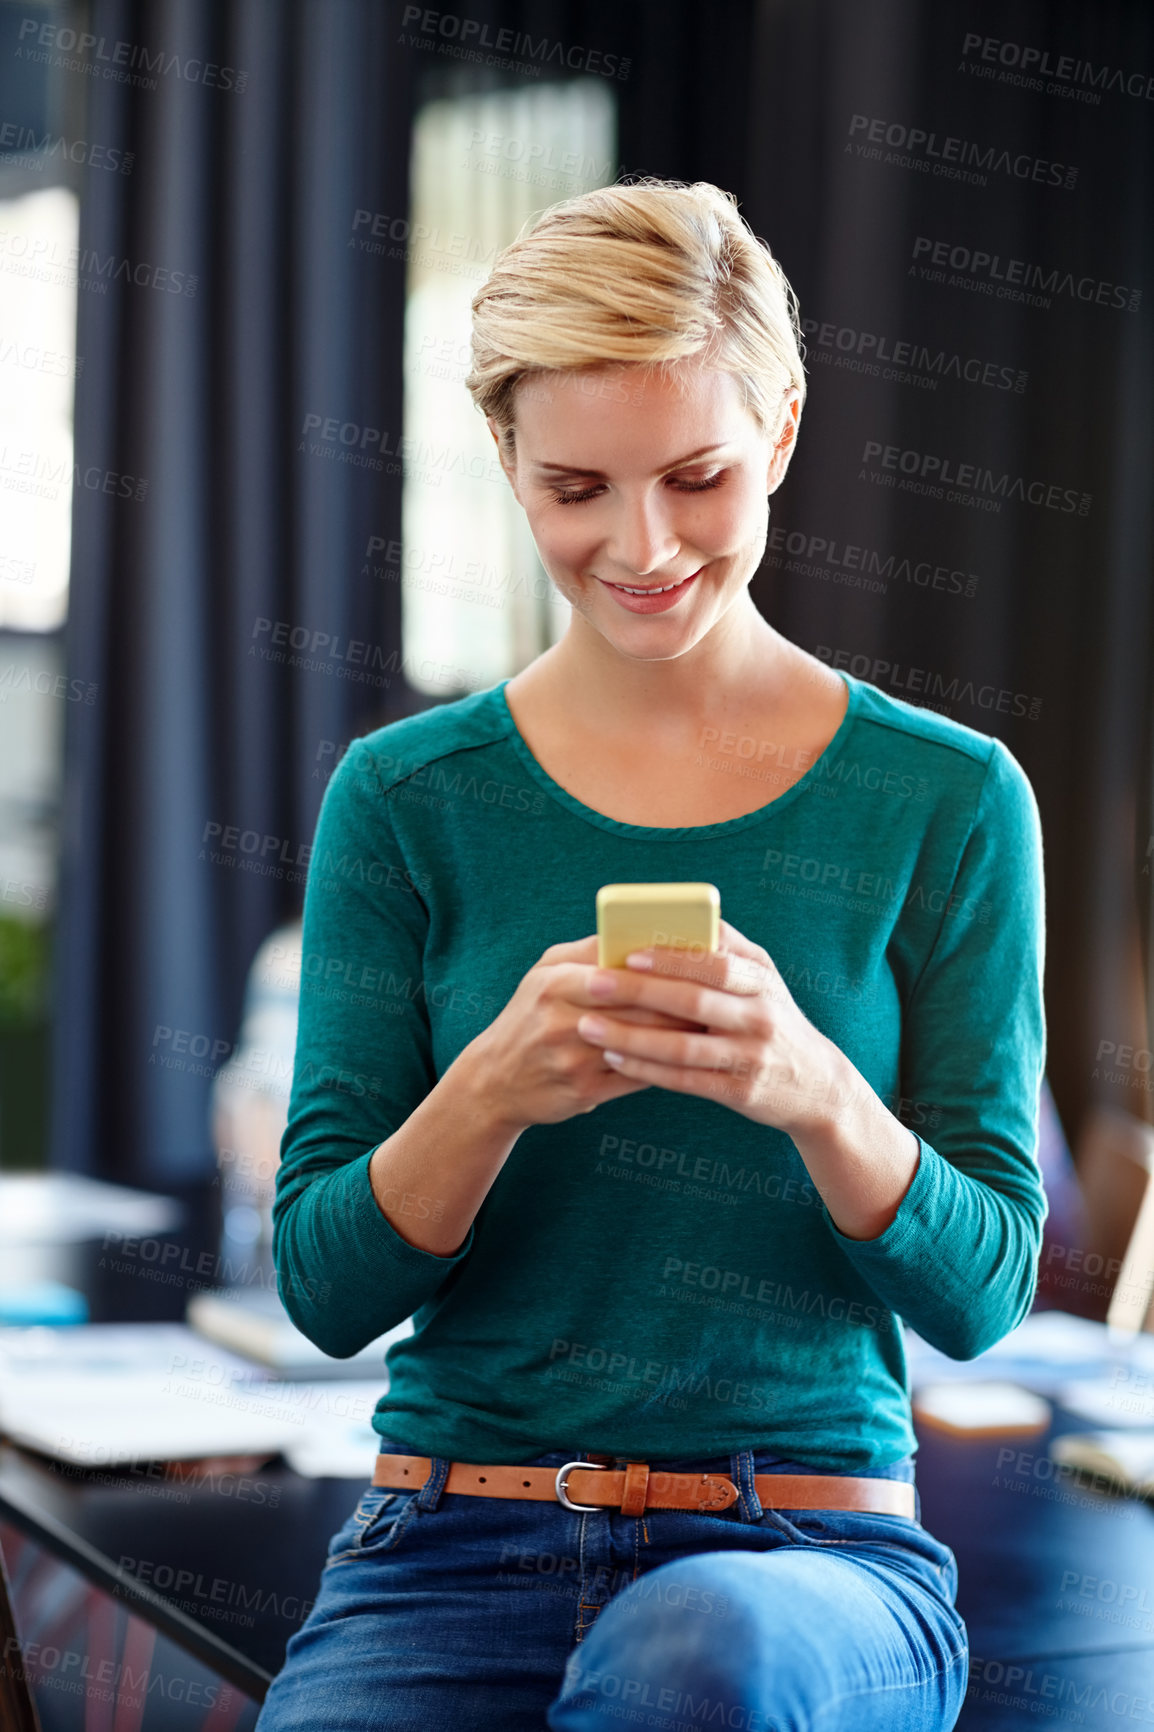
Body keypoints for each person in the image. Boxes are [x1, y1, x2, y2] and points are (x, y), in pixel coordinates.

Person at [256, 179, 1047, 1731]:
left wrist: (817, 1093)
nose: (643, 546)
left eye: (696, 476)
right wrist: (485, 1092)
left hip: (806, 1550)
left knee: (696, 1661)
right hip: (450, 1538)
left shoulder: (946, 798)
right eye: (575, 489)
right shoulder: (406, 801)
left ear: (784, 430)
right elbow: (322, 1284)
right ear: (504, 463)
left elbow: (988, 1289)